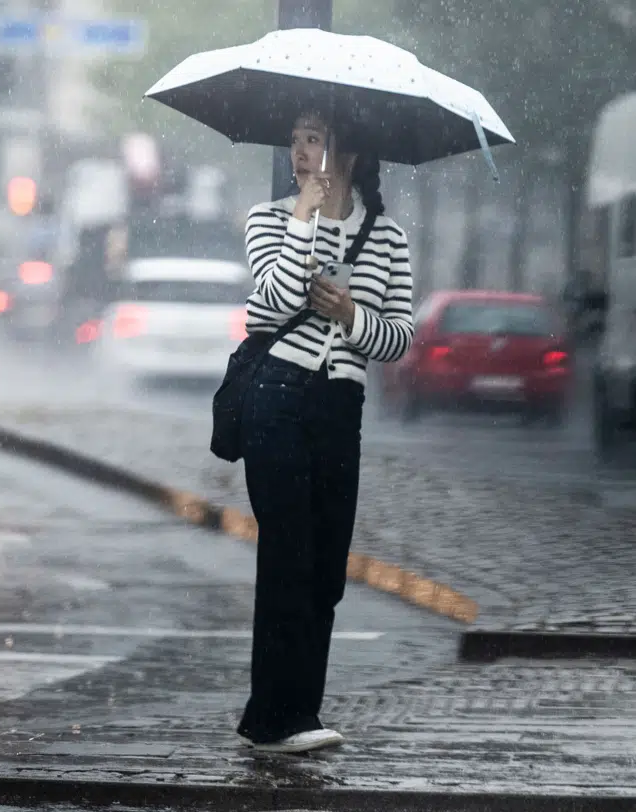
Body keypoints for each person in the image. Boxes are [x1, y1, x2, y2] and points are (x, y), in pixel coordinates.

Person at [236, 111, 415, 753]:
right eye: (294, 139)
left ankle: (299, 712)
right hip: (277, 400)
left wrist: (353, 317)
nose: (299, 152)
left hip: (341, 407)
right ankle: (274, 717)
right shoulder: (270, 219)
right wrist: (302, 221)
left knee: (326, 567)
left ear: (349, 151)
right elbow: (268, 306)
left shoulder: (387, 236)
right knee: (286, 553)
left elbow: (399, 337)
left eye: (313, 138)